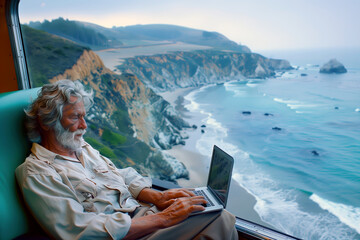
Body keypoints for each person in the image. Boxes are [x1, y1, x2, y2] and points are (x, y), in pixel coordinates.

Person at [16, 80, 237, 240]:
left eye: (84, 116)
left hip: (142, 214)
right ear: (47, 123)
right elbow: (78, 229)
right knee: (221, 219)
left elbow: (118, 174)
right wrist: (165, 218)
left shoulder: (81, 148)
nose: (84, 126)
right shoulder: (37, 172)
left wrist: (158, 196)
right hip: (125, 233)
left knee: (213, 216)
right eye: (75, 117)